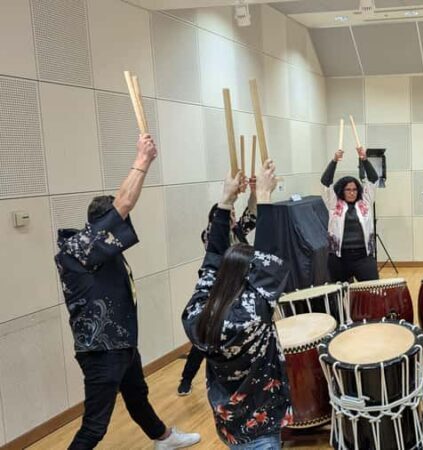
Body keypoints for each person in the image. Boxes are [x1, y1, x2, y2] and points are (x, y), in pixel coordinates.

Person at [55, 134, 200, 449]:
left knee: (137, 396)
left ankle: (163, 438)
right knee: (94, 427)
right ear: (101, 226)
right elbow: (124, 202)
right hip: (100, 350)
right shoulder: (78, 248)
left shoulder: (99, 251)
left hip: (120, 344)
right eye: (116, 223)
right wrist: (143, 160)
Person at [183, 162, 292, 449]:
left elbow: (212, 264)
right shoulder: (253, 316)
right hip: (262, 424)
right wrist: (264, 196)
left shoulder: (196, 316)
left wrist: (226, 199)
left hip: (228, 422)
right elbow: (267, 259)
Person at [178, 177, 257, 396]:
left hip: (238, 291)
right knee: (204, 338)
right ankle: (186, 378)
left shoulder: (238, 231)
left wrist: (253, 192)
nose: (233, 218)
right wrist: (225, 203)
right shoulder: (210, 237)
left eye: (233, 215)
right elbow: (215, 240)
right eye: (229, 215)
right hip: (218, 292)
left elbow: (251, 216)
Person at [320, 146, 380, 282]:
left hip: (363, 256)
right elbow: (325, 182)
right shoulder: (334, 203)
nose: (352, 192)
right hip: (339, 258)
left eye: (354, 189)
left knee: (372, 291)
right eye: (348, 190)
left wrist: (364, 159)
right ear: (342, 190)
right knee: (340, 295)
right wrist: (334, 161)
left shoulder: (365, 202)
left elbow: (373, 180)